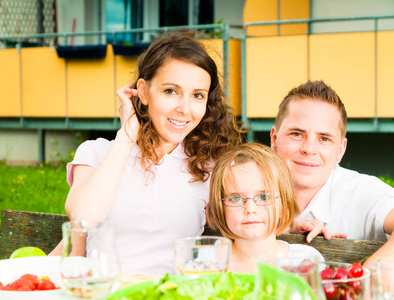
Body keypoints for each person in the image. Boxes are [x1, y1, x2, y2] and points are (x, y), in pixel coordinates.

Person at [54, 30, 242, 276]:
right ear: (143, 92)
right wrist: (127, 134)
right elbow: (84, 217)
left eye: (198, 95)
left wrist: (296, 222)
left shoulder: (209, 167)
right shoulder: (97, 152)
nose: (184, 109)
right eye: (171, 91)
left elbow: (249, 212)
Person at [270, 80, 394, 267]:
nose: (309, 149)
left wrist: (369, 271)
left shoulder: (361, 191)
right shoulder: (246, 187)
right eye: (297, 134)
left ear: (340, 150)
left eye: (324, 138)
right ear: (274, 139)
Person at [206, 143, 323, 273]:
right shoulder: (210, 263)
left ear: (283, 206)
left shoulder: (304, 260)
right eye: (236, 198)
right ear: (220, 207)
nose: (250, 209)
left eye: (263, 197)